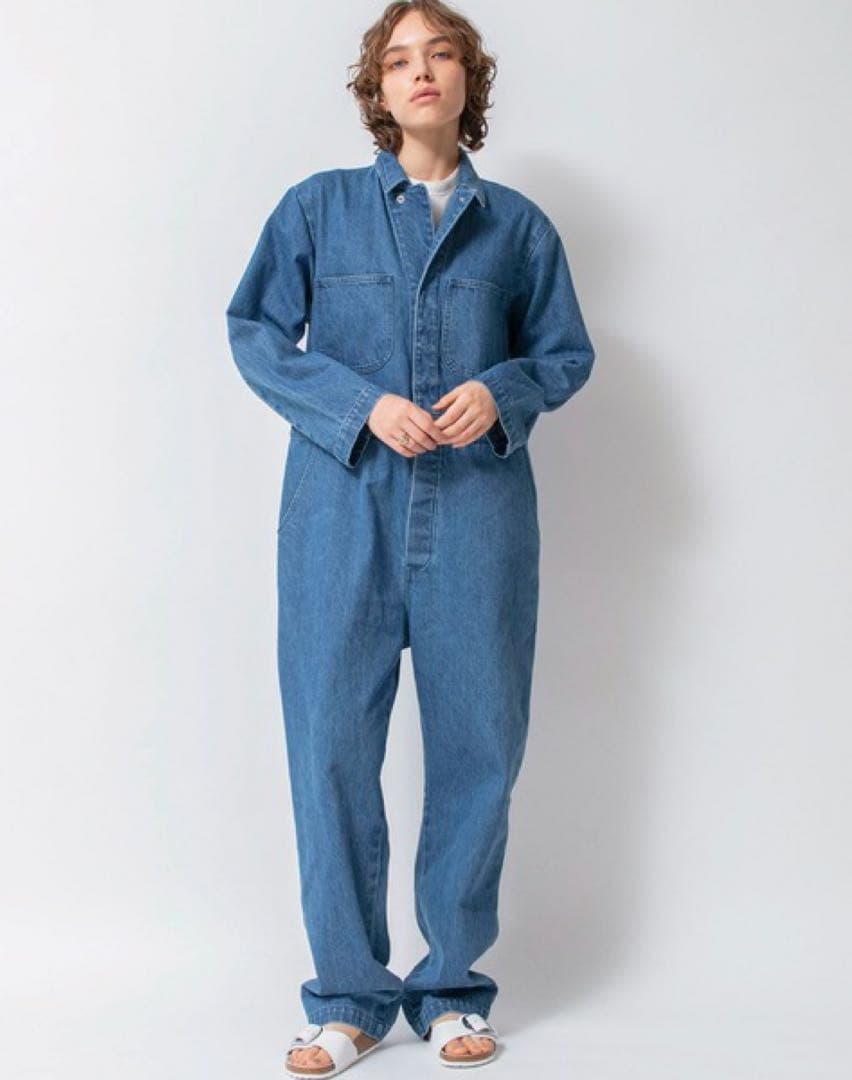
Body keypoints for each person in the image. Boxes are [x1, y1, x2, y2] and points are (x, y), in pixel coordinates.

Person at [225, 1, 595, 1074]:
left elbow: (564, 354)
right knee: (331, 751)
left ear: (469, 80)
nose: (420, 71)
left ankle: (450, 990)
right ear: (377, 90)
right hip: (339, 514)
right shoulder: (317, 209)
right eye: (398, 59)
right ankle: (347, 997)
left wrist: (502, 389)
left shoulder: (518, 228)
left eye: (440, 54)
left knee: (480, 749)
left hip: (478, 516)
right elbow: (254, 331)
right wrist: (359, 406)